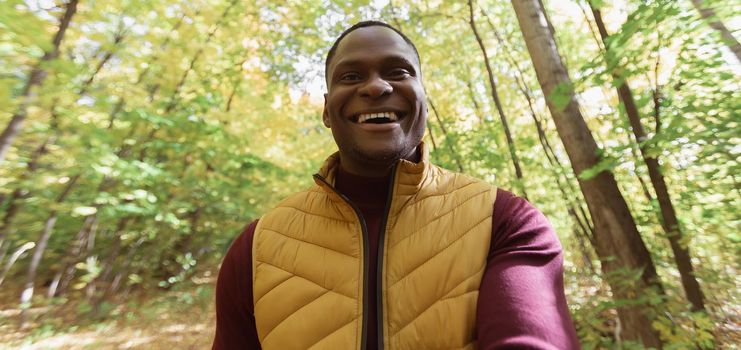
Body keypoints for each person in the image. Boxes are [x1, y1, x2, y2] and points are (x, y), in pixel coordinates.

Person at [212, 21, 579, 349]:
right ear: (326, 110)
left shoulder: (505, 221)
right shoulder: (256, 248)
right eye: (351, 76)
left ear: (424, 99)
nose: (375, 86)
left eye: (398, 71)